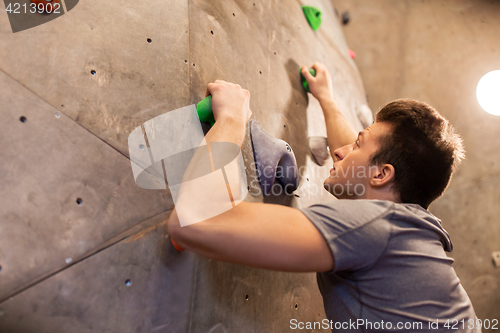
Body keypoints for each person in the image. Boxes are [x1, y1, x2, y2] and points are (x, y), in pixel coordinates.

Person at [167, 62, 480, 332]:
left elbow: (194, 223)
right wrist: (326, 98)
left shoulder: (380, 227)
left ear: (382, 175)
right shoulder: (407, 231)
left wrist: (232, 118)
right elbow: (356, 160)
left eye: (359, 144)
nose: (340, 152)